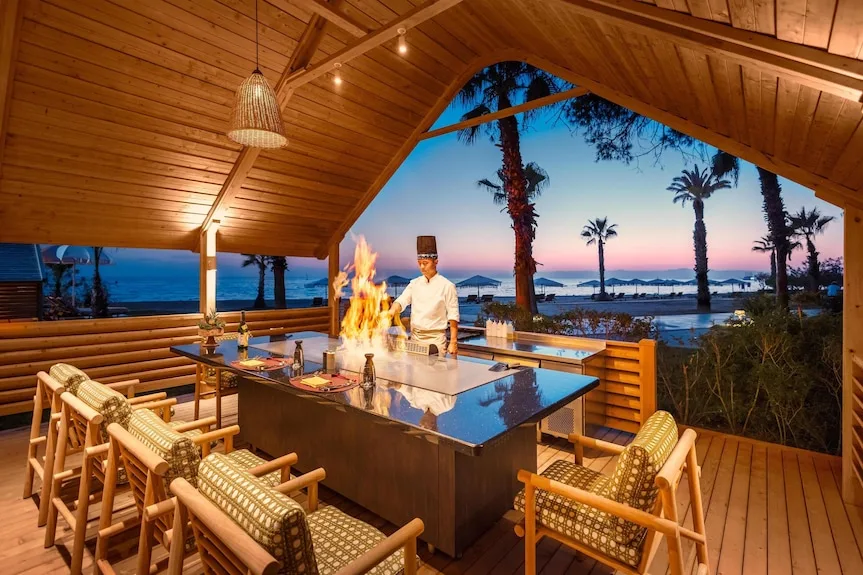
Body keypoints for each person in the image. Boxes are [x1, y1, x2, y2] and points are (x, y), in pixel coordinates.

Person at [389, 235, 459, 357]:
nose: (422, 267)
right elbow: (402, 300)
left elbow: (453, 315)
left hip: (436, 340)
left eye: (425, 263)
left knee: (435, 369)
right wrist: (391, 311)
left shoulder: (447, 286)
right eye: (419, 263)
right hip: (415, 339)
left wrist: (453, 342)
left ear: (436, 262)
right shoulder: (414, 283)